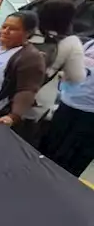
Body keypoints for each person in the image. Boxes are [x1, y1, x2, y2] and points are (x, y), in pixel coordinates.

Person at [26, 0, 86, 139]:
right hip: (36, 103)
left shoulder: (27, 31)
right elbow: (77, 77)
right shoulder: (70, 42)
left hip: (3, 96)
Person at [39, 38, 94, 177]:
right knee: (48, 149)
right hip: (67, 103)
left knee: (72, 161)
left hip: (90, 115)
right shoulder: (90, 44)